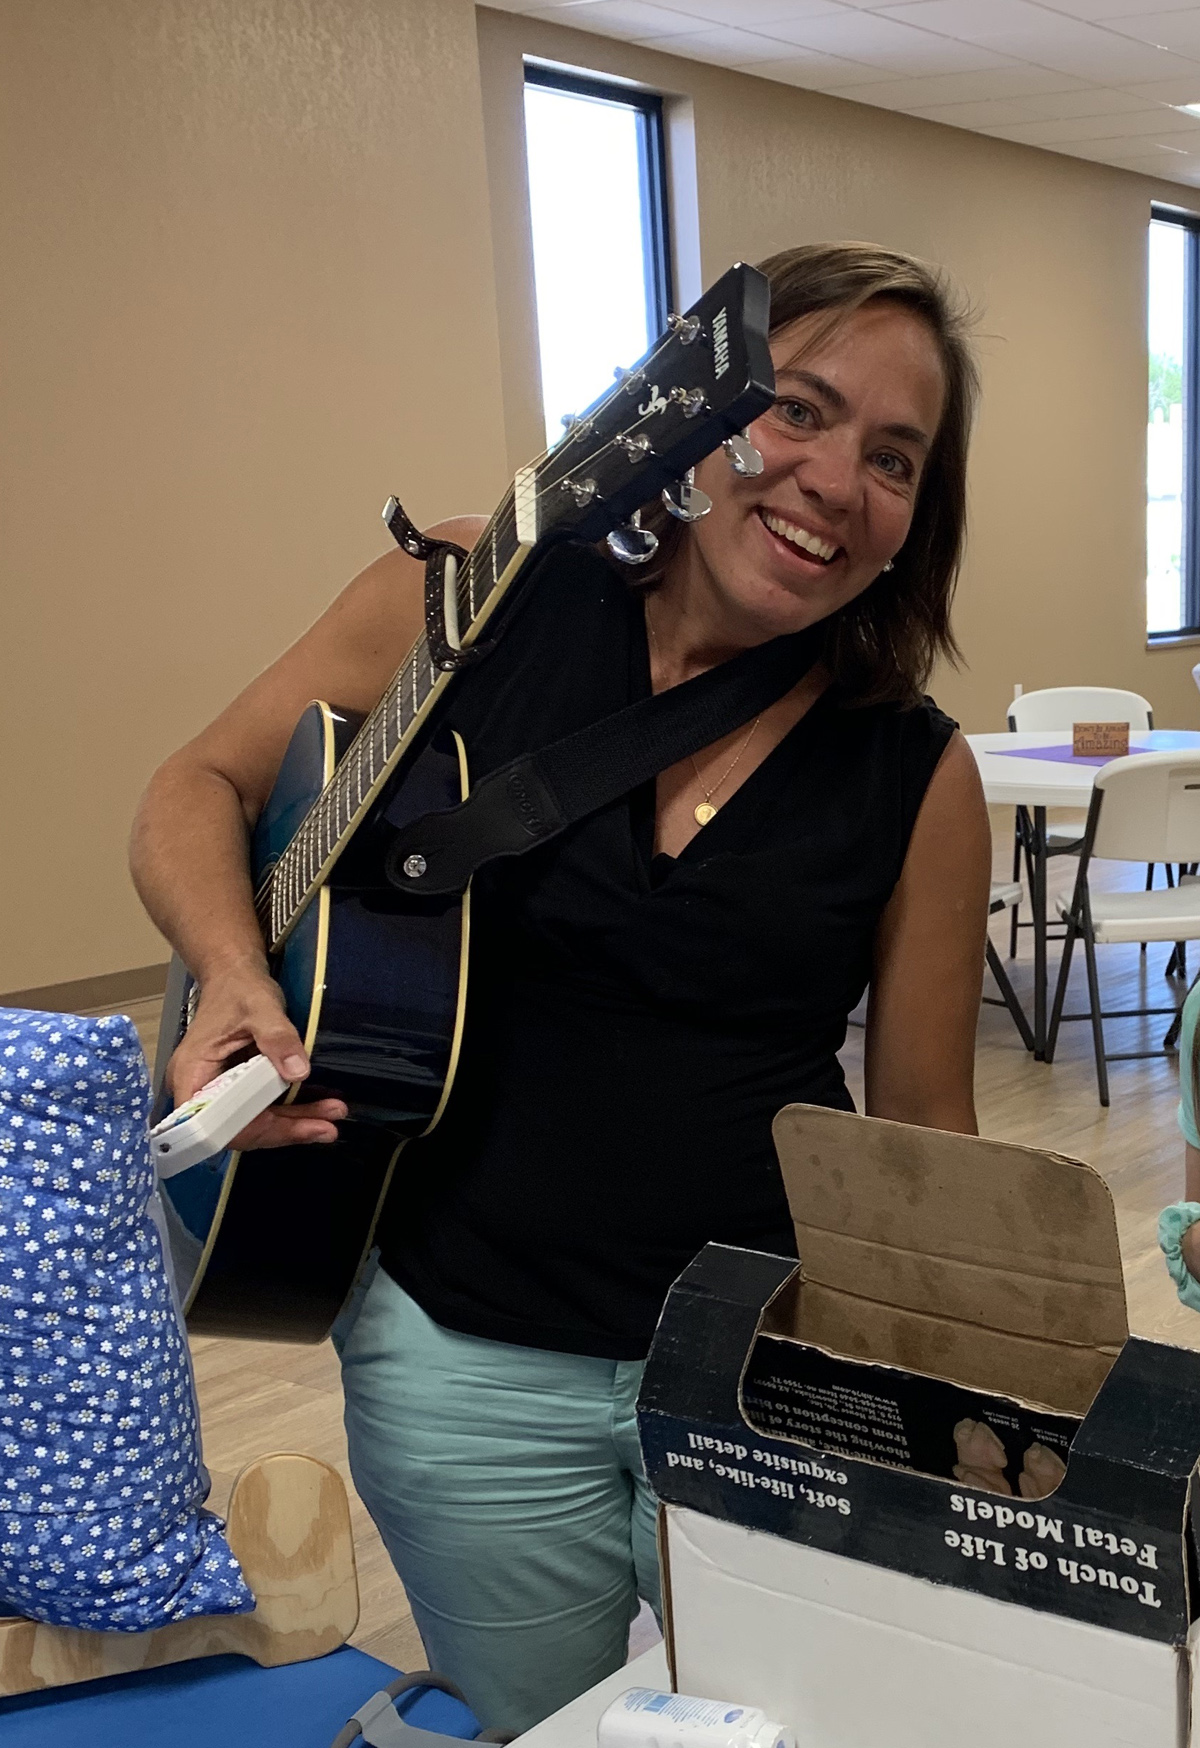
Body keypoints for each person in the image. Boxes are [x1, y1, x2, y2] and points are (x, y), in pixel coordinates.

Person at [129, 243, 991, 1731]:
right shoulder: (468, 601)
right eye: (796, 408)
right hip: (464, 1367)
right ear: (692, 414)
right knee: (543, 1724)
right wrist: (227, 974)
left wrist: (969, 1406)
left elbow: (924, 1134)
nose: (837, 481)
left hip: (760, 1380)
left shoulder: (918, 774)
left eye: (895, 459)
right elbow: (195, 785)